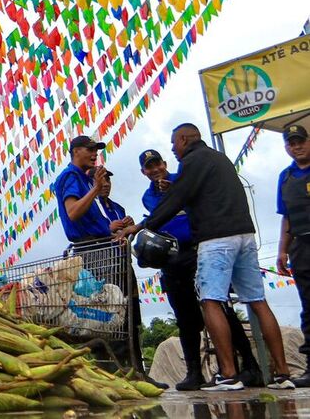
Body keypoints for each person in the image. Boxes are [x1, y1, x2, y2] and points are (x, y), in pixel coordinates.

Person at [119, 123, 294, 390]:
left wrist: (142, 226)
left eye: (173, 145)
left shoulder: (191, 164)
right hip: (242, 235)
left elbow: (176, 202)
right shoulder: (217, 159)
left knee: (211, 302)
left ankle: (230, 374)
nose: (173, 151)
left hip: (214, 241)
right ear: (144, 171)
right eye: (149, 166)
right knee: (256, 301)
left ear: (184, 139)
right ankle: (282, 375)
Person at [138, 148, 262, 389]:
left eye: (158, 165)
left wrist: (173, 190)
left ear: (165, 163)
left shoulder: (184, 180)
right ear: (144, 172)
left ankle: (249, 366)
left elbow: (193, 203)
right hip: (172, 259)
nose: (156, 170)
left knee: (220, 307)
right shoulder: (147, 196)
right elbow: (161, 217)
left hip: (199, 250)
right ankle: (194, 373)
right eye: (150, 167)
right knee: (186, 320)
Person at [53, 135, 158, 381]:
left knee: (124, 313)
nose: (94, 153)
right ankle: (118, 373)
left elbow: (100, 224)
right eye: (89, 149)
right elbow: (73, 212)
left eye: (96, 150)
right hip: (93, 252)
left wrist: (119, 230)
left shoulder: (89, 183)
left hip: (106, 249)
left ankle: (135, 371)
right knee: (110, 314)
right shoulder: (71, 177)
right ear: (75, 151)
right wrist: (96, 190)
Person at [275, 123, 310, 387]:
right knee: (308, 307)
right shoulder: (285, 177)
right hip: (301, 246)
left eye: (300, 141)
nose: (296, 146)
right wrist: (282, 250)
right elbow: (286, 216)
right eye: (291, 143)